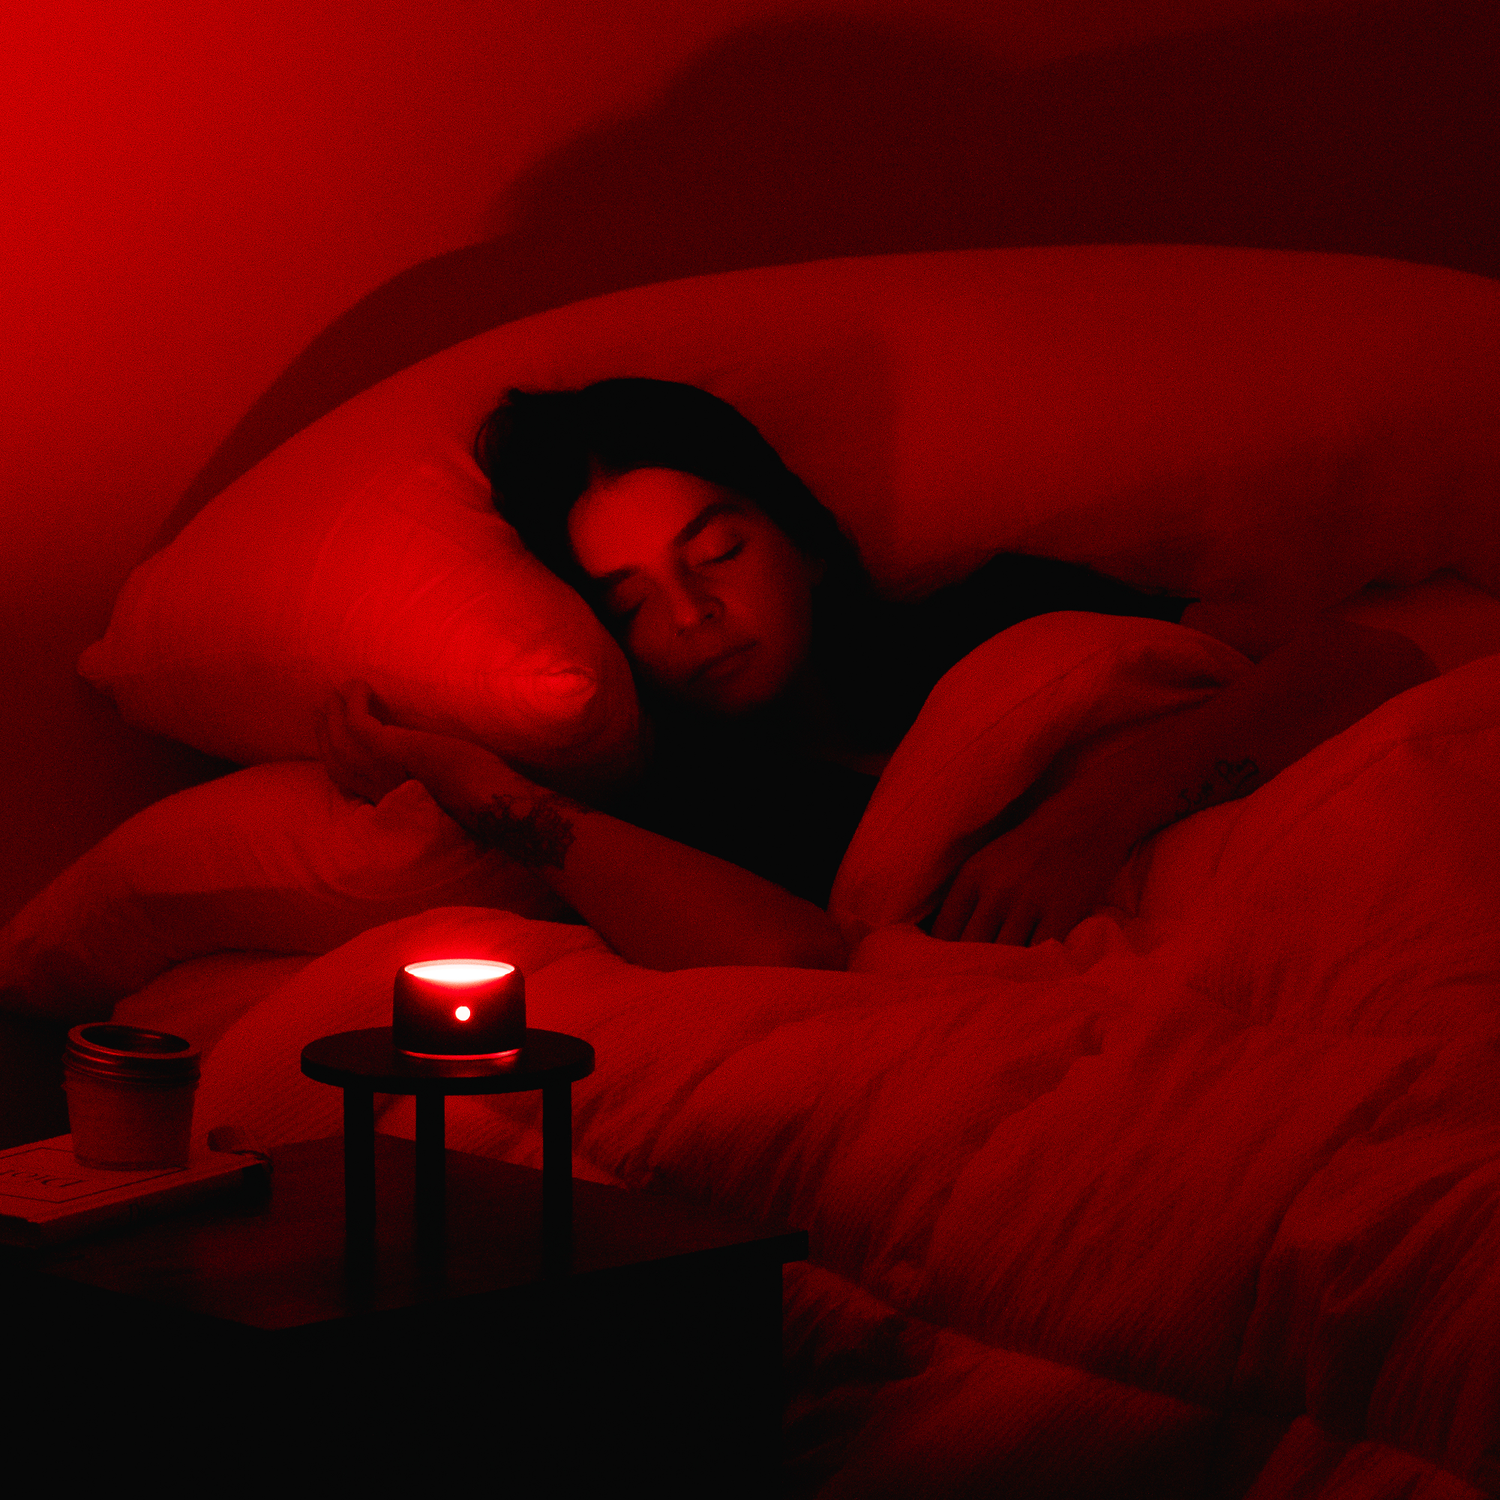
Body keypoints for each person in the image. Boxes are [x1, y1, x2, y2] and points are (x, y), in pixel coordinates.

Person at [315, 378, 1436, 972]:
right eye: (634, 603)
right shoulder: (691, 813)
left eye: (717, 552)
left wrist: (1095, 812)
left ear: (796, 535)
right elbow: (786, 952)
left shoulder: (996, 610)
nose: (696, 612)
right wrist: (476, 784)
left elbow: (1365, 657)